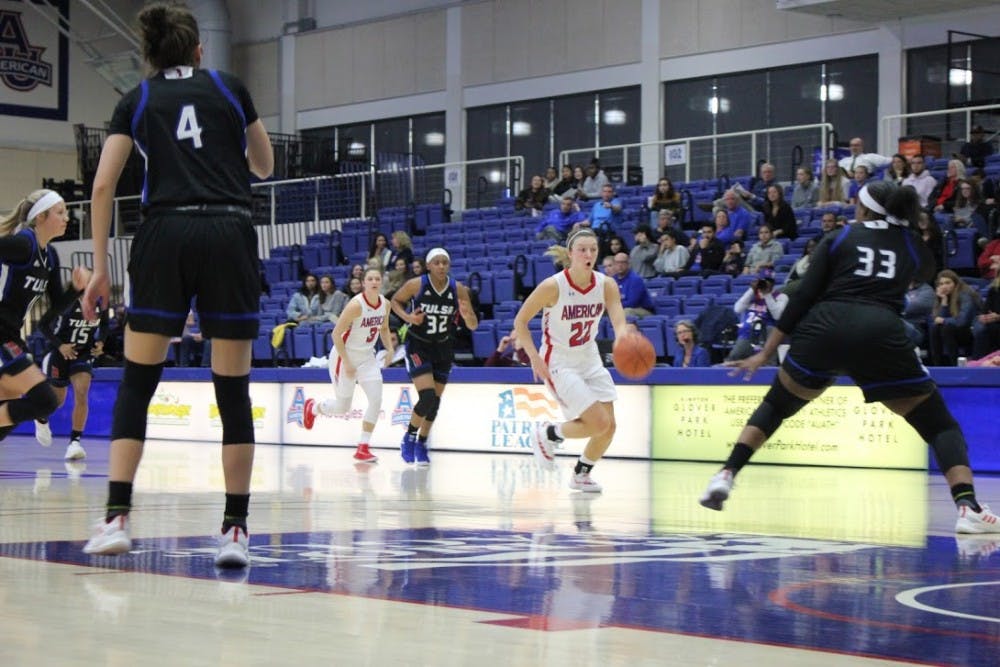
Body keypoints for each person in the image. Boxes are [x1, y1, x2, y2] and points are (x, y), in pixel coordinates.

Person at [80, 3, 274, 565]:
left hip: (164, 233)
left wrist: (99, 269)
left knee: (139, 382)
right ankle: (234, 530)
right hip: (228, 230)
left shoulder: (137, 99)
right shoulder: (230, 86)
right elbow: (262, 166)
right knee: (232, 391)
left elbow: (101, 188)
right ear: (197, 50)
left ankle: (117, 518)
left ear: (150, 56)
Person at [698, 181, 1000, 535]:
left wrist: (766, 352)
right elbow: (923, 272)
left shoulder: (841, 236)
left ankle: (726, 474)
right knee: (940, 426)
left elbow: (803, 295)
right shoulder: (912, 244)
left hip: (824, 326)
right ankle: (967, 507)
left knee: (776, 407)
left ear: (866, 209)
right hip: (879, 332)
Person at [513, 228, 630, 492]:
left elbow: (618, 321)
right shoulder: (553, 286)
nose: (589, 254)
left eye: (593, 249)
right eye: (582, 250)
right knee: (598, 422)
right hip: (559, 362)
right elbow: (520, 321)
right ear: (570, 254)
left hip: (589, 358)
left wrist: (624, 339)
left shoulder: (606, 284)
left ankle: (581, 474)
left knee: (609, 427)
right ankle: (548, 433)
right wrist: (533, 356)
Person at [390, 248, 478, 465]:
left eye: (445, 262)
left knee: (435, 403)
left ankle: (422, 442)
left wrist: (468, 316)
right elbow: (394, 301)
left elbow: (473, 325)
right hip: (418, 346)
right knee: (427, 397)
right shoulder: (416, 284)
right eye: (437, 262)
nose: (441, 266)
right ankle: (408, 438)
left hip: (443, 347)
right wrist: (409, 318)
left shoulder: (458, 289)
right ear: (428, 265)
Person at [302, 267, 393, 463]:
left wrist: (390, 349)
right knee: (343, 407)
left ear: (381, 282)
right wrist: (348, 363)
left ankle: (363, 447)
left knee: (376, 400)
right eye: (370, 278)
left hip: (367, 357)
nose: (374, 281)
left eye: (378, 278)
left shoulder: (385, 304)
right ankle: (313, 408)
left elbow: (384, 329)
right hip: (345, 357)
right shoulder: (355, 305)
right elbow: (336, 334)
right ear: (363, 283)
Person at [0, 189, 66, 445]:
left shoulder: (50, 256)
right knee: (45, 401)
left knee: (11, 410)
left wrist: (77, 289)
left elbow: (56, 307)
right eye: (60, 212)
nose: (66, 218)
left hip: (11, 335)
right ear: (41, 217)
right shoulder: (24, 244)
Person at [33, 266, 107, 461]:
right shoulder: (65, 302)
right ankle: (41, 417)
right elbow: (42, 325)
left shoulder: (100, 302)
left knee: (82, 392)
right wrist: (60, 345)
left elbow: (105, 324)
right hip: (60, 353)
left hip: (82, 354)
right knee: (57, 401)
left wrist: (101, 342)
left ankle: (75, 443)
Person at [726, 268, 788, 364]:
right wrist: (751, 290)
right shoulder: (752, 295)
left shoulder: (781, 297)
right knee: (734, 358)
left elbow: (777, 316)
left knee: (768, 363)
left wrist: (767, 294)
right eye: (763, 281)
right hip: (748, 332)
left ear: (773, 283)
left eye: (769, 281)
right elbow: (737, 309)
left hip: (767, 334)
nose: (766, 283)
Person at [928, 269, 979, 366]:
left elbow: (963, 321)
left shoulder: (965, 294)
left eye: (948, 283)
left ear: (955, 283)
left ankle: (954, 365)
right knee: (935, 328)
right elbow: (938, 322)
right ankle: (937, 366)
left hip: (970, 332)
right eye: (941, 284)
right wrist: (944, 301)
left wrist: (944, 320)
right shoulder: (943, 296)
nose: (944, 286)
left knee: (947, 328)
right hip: (952, 331)